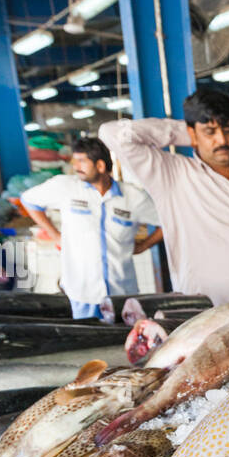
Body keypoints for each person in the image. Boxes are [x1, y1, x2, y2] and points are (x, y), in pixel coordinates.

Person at [99, 88, 229, 305]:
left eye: (227, 129)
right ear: (192, 134)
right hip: (204, 314)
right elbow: (110, 133)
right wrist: (188, 130)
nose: (222, 139)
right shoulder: (171, 175)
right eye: (210, 132)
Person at [20, 136, 160, 320]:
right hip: (80, 294)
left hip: (122, 293)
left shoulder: (133, 198)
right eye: (75, 160)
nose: (75, 166)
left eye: (81, 161)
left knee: (124, 343)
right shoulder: (66, 187)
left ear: (100, 166)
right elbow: (28, 200)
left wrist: (143, 246)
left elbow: (167, 221)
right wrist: (55, 235)